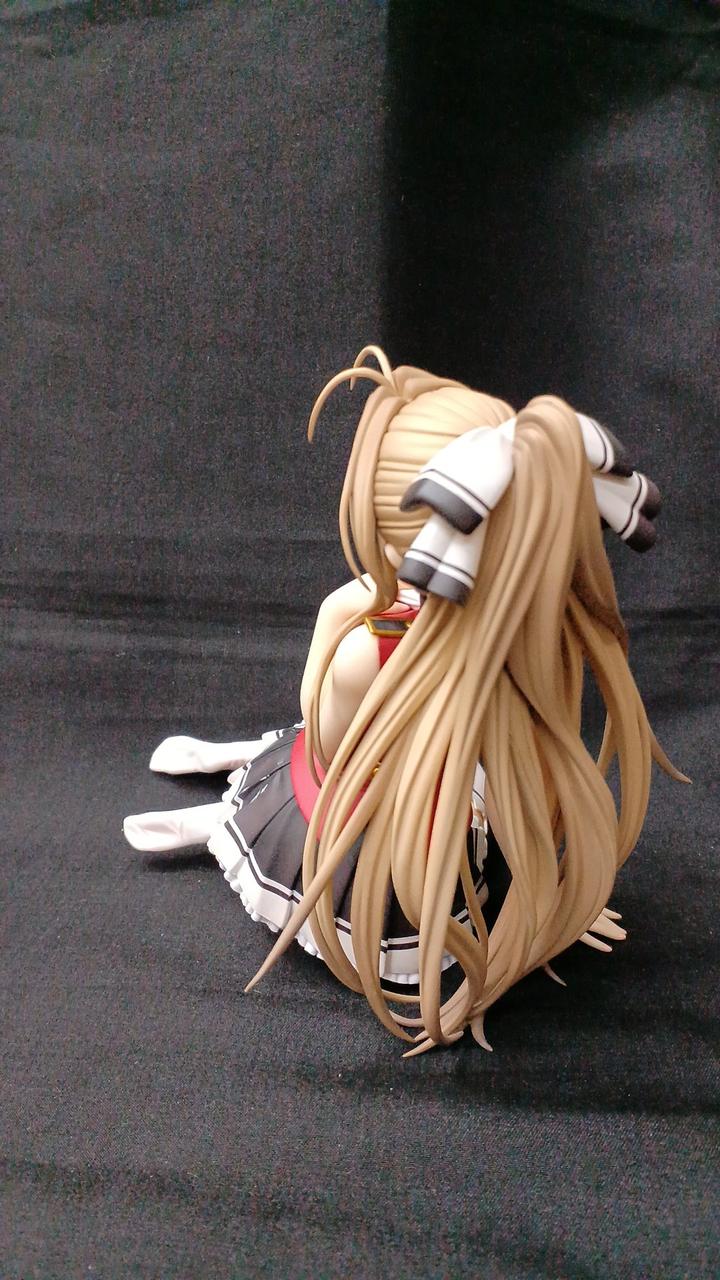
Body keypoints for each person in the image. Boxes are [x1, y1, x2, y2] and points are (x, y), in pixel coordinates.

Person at [124, 345, 685, 1054]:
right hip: (369, 802)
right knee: (310, 799)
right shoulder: (376, 644)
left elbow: (517, 764)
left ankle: (233, 786)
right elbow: (334, 760)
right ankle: (225, 815)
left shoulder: (500, 637)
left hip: (431, 792)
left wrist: (553, 900)